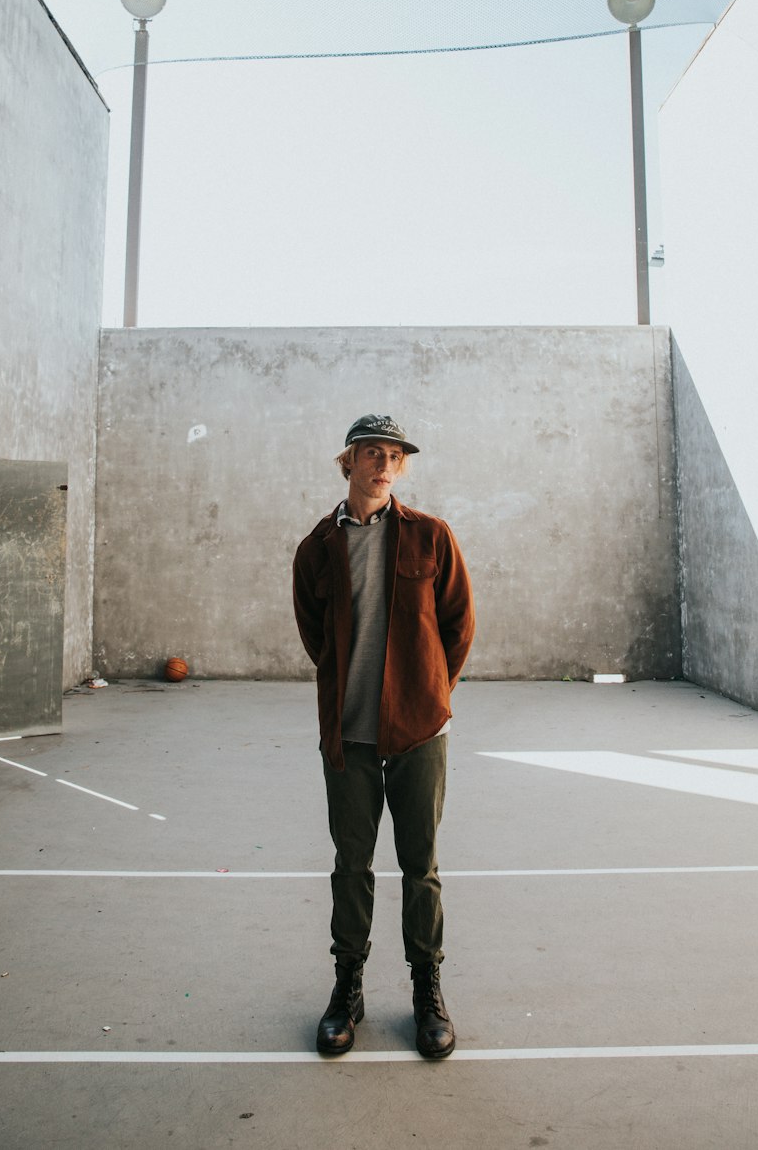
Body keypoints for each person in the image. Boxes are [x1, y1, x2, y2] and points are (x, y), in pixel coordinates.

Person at [292, 414, 475, 1059]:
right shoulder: (317, 548)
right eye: (372, 453)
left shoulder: (431, 538)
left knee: (420, 868)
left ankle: (428, 991)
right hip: (351, 736)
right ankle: (348, 988)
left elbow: (458, 624)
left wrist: (430, 692)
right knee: (351, 866)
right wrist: (351, 689)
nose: (385, 464)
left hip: (420, 731)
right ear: (347, 463)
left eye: (394, 455)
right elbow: (315, 635)